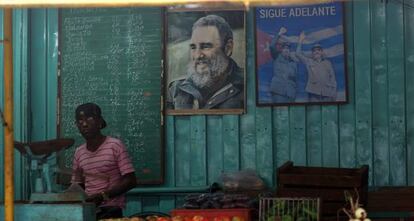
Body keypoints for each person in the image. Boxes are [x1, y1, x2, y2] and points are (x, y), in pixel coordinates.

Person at [70, 102, 137, 219]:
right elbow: (78, 185)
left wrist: (102, 196)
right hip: (89, 211)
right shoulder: (79, 152)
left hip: (112, 210)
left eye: (89, 119)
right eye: (80, 121)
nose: (84, 124)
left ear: (100, 121)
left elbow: (131, 181)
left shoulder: (115, 145)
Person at [167, 14, 244, 109]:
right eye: (193, 47)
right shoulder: (175, 90)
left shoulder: (247, 86)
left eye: (206, 46)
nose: (198, 55)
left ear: (228, 48)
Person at [296, 31, 337, 102]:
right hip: (313, 93)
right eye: (314, 51)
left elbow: (332, 78)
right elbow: (298, 54)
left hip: (327, 93)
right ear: (312, 53)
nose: (316, 52)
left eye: (318, 50)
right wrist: (300, 40)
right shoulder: (309, 61)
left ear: (321, 52)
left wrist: (334, 93)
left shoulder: (328, 63)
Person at [269, 27, 299, 103]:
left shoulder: (293, 63)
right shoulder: (276, 56)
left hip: (291, 94)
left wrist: (294, 92)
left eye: (288, 49)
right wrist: (279, 33)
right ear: (281, 50)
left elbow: (295, 78)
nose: (286, 50)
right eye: (284, 48)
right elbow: (272, 46)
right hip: (278, 92)